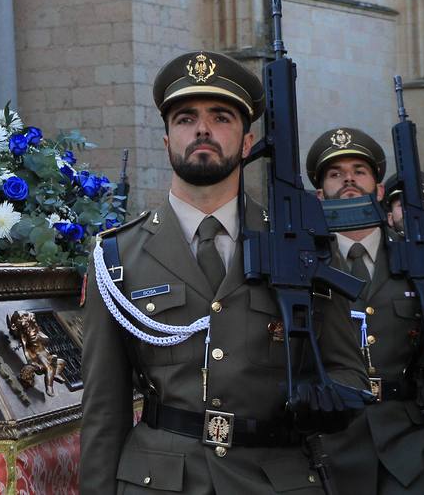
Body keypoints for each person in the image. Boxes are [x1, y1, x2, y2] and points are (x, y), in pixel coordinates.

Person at [79, 51, 369, 494]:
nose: (202, 129)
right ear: (166, 142)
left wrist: (327, 399)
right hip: (160, 482)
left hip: (276, 478)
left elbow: (349, 370)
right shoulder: (117, 255)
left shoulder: (301, 247)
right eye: (184, 118)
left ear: (248, 142)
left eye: (221, 117)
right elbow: (103, 408)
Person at [307, 128, 424, 493]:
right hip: (330, 452)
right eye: (335, 173)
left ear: (378, 189)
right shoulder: (304, 265)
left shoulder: (418, 260)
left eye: (359, 170)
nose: (348, 179)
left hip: (412, 446)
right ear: (319, 195)